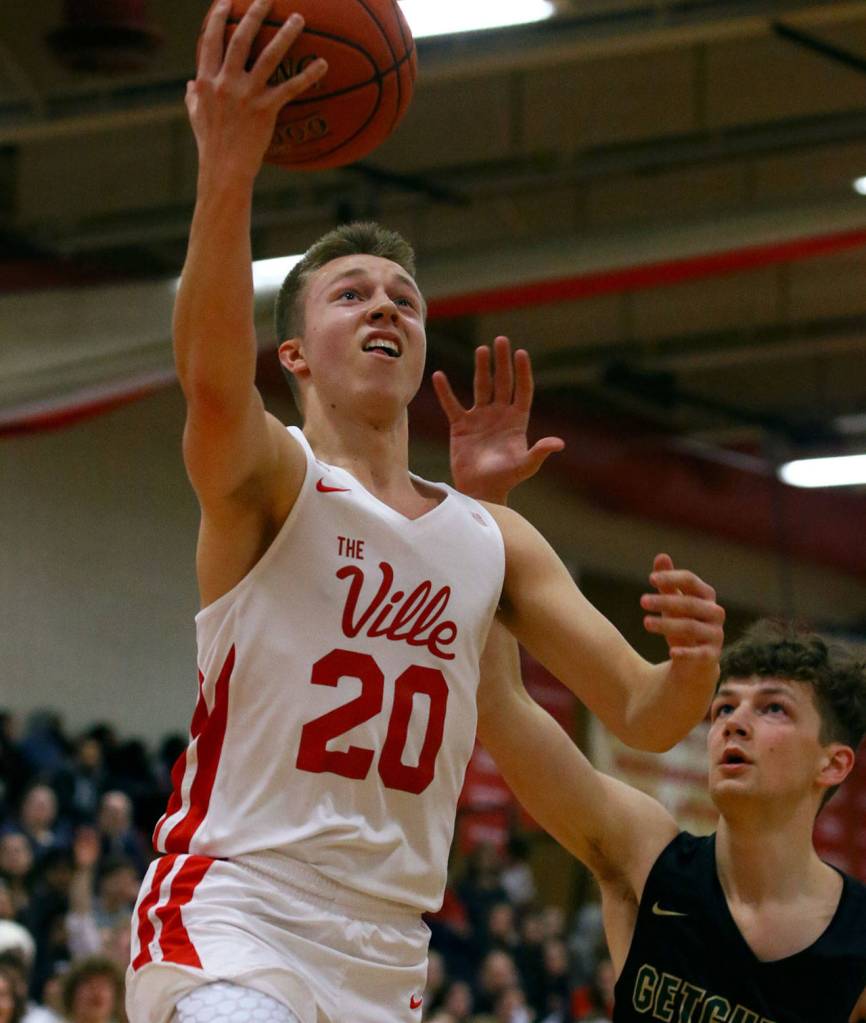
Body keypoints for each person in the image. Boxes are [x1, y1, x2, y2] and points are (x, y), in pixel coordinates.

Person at [126, 3, 724, 1022]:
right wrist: (228, 169)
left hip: (388, 951)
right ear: (296, 356)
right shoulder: (273, 479)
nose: (386, 307)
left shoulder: (488, 536)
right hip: (238, 911)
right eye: (351, 294)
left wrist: (694, 664)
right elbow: (213, 383)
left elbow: (639, 711)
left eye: (403, 297)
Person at [477, 617, 866, 1021]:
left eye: (773, 708)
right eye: (725, 707)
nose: (734, 723)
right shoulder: (645, 858)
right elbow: (498, 699)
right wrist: (495, 557)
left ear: (833, 763)